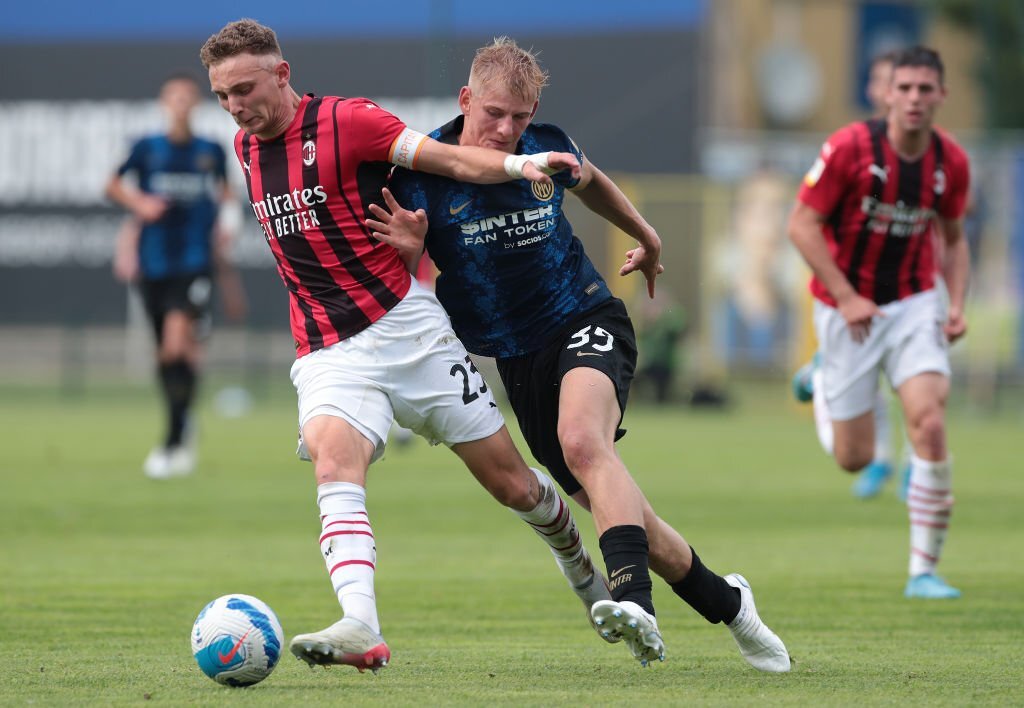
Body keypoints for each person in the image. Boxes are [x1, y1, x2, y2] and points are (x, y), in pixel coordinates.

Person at [199, 19, 611, 674]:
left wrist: (518, 164)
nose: (234, 106)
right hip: (328, 349)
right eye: (222, 95)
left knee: (512, 486)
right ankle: (361, 622)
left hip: (407, 330)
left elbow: (450, 160)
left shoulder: (349, 122)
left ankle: (578, 564)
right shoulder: (244, 148)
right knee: (334, 464)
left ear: (281, 74)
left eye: (243, 89)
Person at [368, 37, 790, 671]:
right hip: (517, 359)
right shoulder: (422, 173)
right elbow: (397, 277)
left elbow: (590, 183)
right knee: (635, 522)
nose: (507, 130)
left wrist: (645, 235)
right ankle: (729, 603)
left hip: (585, 316)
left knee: (585, 443)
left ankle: (634, 604)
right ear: (465, 101)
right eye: (494, 114)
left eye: (520, 116)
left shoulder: (546, 147)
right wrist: (405, 252)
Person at [787, 46, 970, 599]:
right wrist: (846, 297)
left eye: (925, 89)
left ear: (941, 95)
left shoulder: (950, 163)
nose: (914, 98)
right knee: (855, 458)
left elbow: (954, 240)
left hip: (914, 302)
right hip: (849, 309)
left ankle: (923, 571)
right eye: (905, 88)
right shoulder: (848, 149)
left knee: (930, 423)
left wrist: (955, 303)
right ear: (888, 92)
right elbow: (802, 226)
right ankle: (822, 378)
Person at [105, 72, 247, 480]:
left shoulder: (210, 150)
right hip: (154, 264)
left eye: (188, 97)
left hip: (194, 262)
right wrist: (140, 203)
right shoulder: (147, 149)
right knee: (170, 355)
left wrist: (228, 224)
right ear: (164, 104)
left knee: (175, 344)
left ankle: (171, 439)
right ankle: (184, 422)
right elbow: (112, 185)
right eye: (174, 98)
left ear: (196, 104)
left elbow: (225, 195)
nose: (181, 104)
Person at [791, 50, 908, 500]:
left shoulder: (929, 149)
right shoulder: (850, 148)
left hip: (908, 285)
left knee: (922, 385)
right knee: (851, 444)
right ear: (876, 91)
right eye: (890, 83)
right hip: (850, 289)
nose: (901, 94)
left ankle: (918, 469)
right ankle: (874, 455)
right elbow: (806, 219)